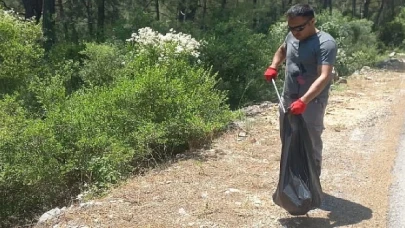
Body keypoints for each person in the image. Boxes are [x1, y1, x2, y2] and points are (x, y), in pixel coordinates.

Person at [264, 4, 338, 177]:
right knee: (288, 138)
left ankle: (311, 182)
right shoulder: (292, 36)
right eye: (291, 28)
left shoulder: (326, 43)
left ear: (312, 21)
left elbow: (324, 76)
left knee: (310, 140)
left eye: (299, 28)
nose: (295, 32)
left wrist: (304, 101)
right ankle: (292, 178)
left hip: (311, 102)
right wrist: (274, 65)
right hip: (288, 97)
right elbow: (282, 50)